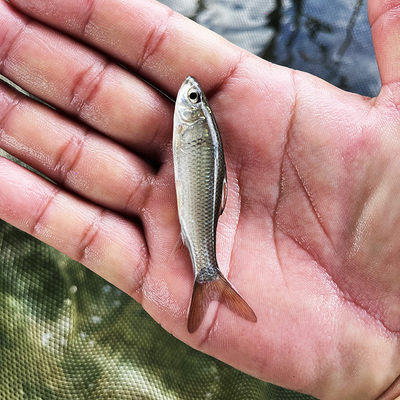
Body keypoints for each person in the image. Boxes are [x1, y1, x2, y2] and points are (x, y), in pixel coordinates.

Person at [0, 0, 398, 398]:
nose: (188, 97)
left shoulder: (196, 125)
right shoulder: (194, 128)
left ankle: (208, 275)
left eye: (192, 100)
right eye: (192, 99)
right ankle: (207, 274)